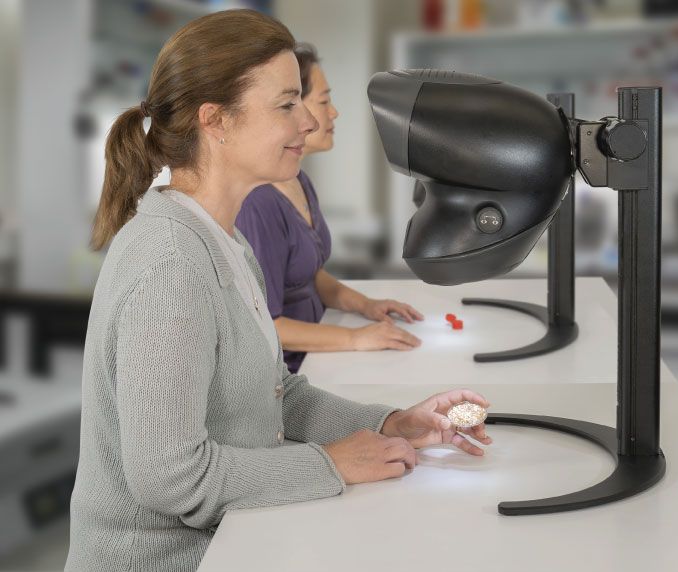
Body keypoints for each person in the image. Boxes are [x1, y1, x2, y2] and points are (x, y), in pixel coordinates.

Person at [65, 10, 491, 572]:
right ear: (216, 120)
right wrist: (329, 464)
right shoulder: (169, 262)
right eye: (286, 104)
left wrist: (390, 423)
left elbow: (277, 394)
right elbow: (169, 478)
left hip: (235, 541)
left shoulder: (227, 240)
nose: (307, 124)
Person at [235, 43, 423, 374]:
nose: (333, 113)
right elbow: (266, 325)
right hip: (287, 375)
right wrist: (355, 338)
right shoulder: (259, 203)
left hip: (319, 357)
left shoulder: (298, 180)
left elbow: (307, 275)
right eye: (323, 101)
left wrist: (366, 305)